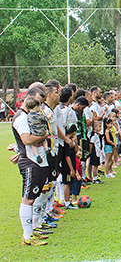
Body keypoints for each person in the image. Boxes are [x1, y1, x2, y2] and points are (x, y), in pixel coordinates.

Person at [12, 86, 51, 246]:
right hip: (31, 162)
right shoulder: (21, 117)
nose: (40, 107)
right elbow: (27, 140)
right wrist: (45, 135)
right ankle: (27, 237)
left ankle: (32, 230)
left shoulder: (29, 116)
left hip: (37, 161)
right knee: (28, 199)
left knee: (34, 197)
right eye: (38, 103)